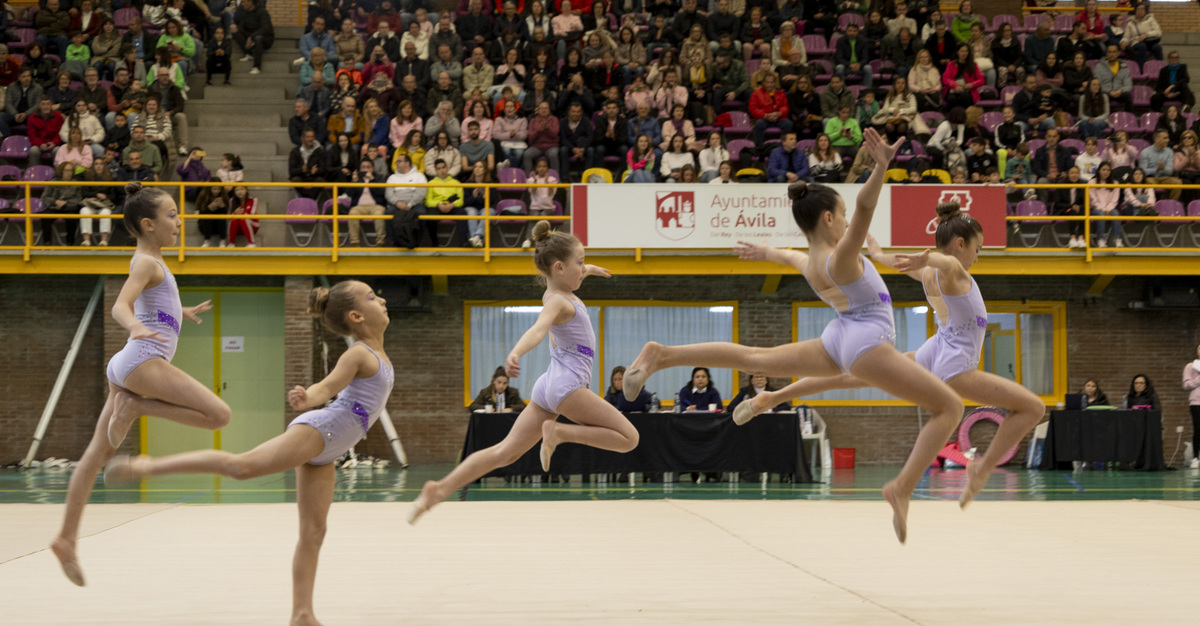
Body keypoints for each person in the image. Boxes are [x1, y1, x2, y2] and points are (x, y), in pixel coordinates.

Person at [620, 129, 964, 543]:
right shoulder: (842, 258)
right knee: (949, 407)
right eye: (844, 216)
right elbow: (867, 205)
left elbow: (788, 253)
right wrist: (882, 166)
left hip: (840, 336)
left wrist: (765, 252)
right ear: (829, 219)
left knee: (756, 359)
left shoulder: (812, 260)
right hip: (867, 338)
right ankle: (901, 488)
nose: (850, 222)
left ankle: (663, 355)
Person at [105, 281, 391, 626]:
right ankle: (149, 466)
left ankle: (302, 615)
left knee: (314, 531)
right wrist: (309, 397)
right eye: (371, 297)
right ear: (356, 316)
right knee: (242, 467)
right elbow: (329, 387)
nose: (381, 299)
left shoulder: (378, 353)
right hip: (322, 430)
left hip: (333, 447)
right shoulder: (359, 354)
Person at [736, 205, 1044, 509]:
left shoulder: (927, 275)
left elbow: (892, 261)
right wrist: (928, 256)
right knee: (1032, 407)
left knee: (849, 377)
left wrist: (879, 253)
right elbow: (947, 263)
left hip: (935, 350)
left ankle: (774, 397)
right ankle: (983, 468)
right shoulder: (953, 271)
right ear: (960, 244)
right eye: (978, 248)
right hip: (956, 364)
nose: (978, 256)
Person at [50, 183, 231, 587]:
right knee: (219, 415)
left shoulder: (155, 263)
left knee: (97, 454)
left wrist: (179, 311)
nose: (179, 222)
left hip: (130, 366)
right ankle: (137, 407)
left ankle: (65, 538)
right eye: (172, 216)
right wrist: (134, 326)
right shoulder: (146, 263)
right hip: (142, 361)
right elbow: (121, 304)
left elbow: (154, 304)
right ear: (147, 224)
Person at [409, 220, 636, 522]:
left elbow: (570, 277)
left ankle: (439, 490)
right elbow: (538, 329)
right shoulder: (558, 302)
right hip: (567, 386)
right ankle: (560, 433)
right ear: (558, 267)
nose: (582, 269)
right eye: (579, 263)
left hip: (548, 386)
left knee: (505, 452)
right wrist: (516, 351)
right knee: (628, 438)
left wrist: (588, 268)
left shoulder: (555, 293)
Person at [386, 152, 428, 248]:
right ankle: (395, 241)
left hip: (415, 203)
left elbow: (421, 192)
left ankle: (417, 242)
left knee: (422, 213)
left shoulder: (419, 176)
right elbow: (388, 194)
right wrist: (397, 202)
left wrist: (410, 204)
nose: (396, 163)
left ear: (407, 163)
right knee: (388, 213)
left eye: (399, 161)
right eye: (396, 162)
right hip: (397, 204)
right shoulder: (392, 178)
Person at [345, 158, 387, 246]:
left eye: (368, 167)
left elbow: (381, 192)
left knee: (379, 214)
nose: (365, 169)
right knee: (352, 213)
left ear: (372, 168)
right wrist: (354, 182)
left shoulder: (378, 178)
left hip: (376, 206)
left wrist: (372, 179)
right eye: (363, 167)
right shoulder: (357, 178)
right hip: (359, 207)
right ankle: (354, 242)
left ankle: (380, 241)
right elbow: (349, 193)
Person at [232, 0, 275, 75]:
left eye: (243, 2)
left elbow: (266, 28)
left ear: (250, 2)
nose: (242, 4)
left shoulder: (262, 12)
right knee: (236, 32)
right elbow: (242, 27)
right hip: (251, 38)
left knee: (258, 38)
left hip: (265, 38)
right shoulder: (245, 13)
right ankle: (249, 54)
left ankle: (257, 67)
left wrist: (252, 37)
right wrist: (235, 28)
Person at [1088, 161, 1125, 248]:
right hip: (1095, 208)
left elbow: (1114, 200)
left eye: (1108, 170)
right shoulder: (1092, 182)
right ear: (1099, 171)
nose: (1106, 172)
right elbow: (1093, 200)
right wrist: (1103, 210)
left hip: (1110, 209)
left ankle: (1117, 239)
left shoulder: (1115, 183)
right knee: (1101, 214)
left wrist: (1108, 209)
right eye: (1104, 170)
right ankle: (1101, 239)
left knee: (1115, 213)